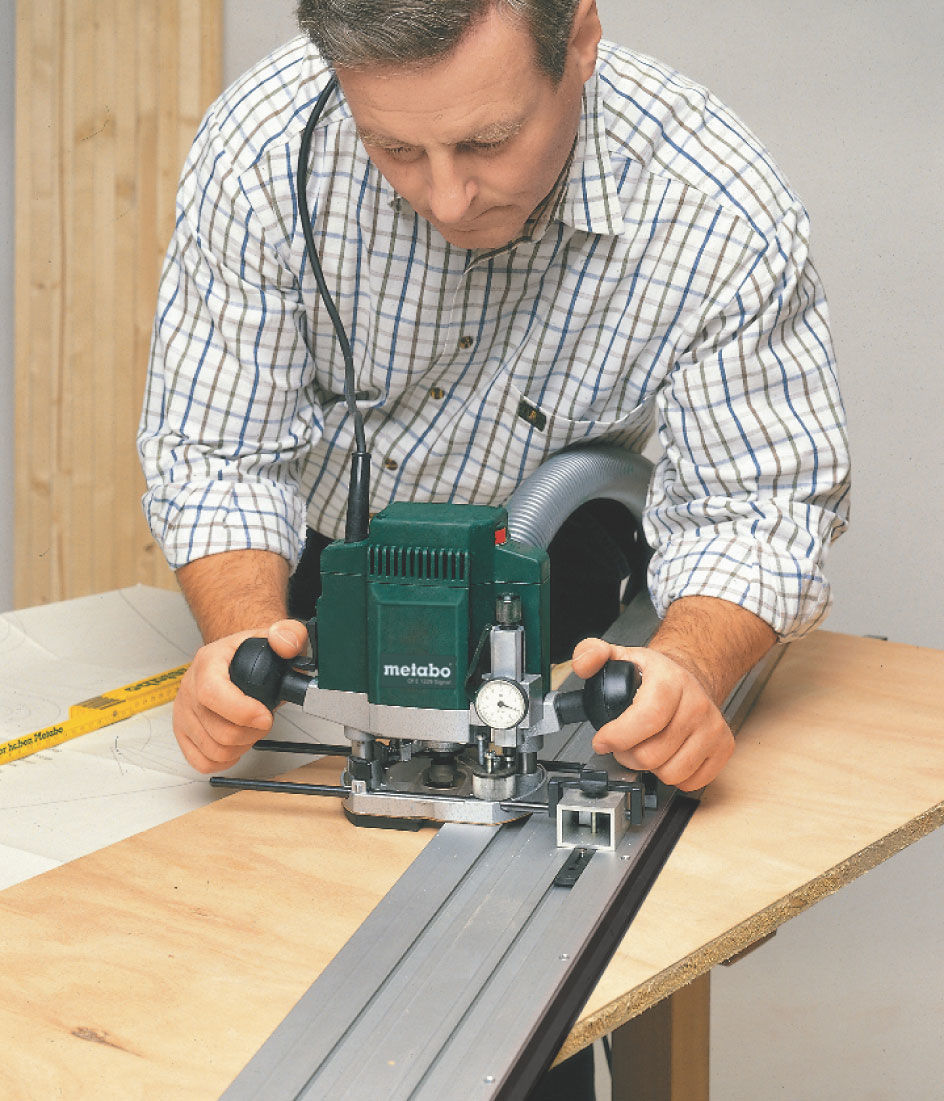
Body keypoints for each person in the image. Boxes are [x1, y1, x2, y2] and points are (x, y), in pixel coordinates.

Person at [139, 0, 849, 795]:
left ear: (579, 40)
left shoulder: (719, 212)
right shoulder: (264, 148)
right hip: (313, 571)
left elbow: (755, 510)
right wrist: (245, 650)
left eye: (488, 142)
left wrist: (687, 668)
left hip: (549, 581)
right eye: (395, 148)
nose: (447, 200)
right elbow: (220, 453)